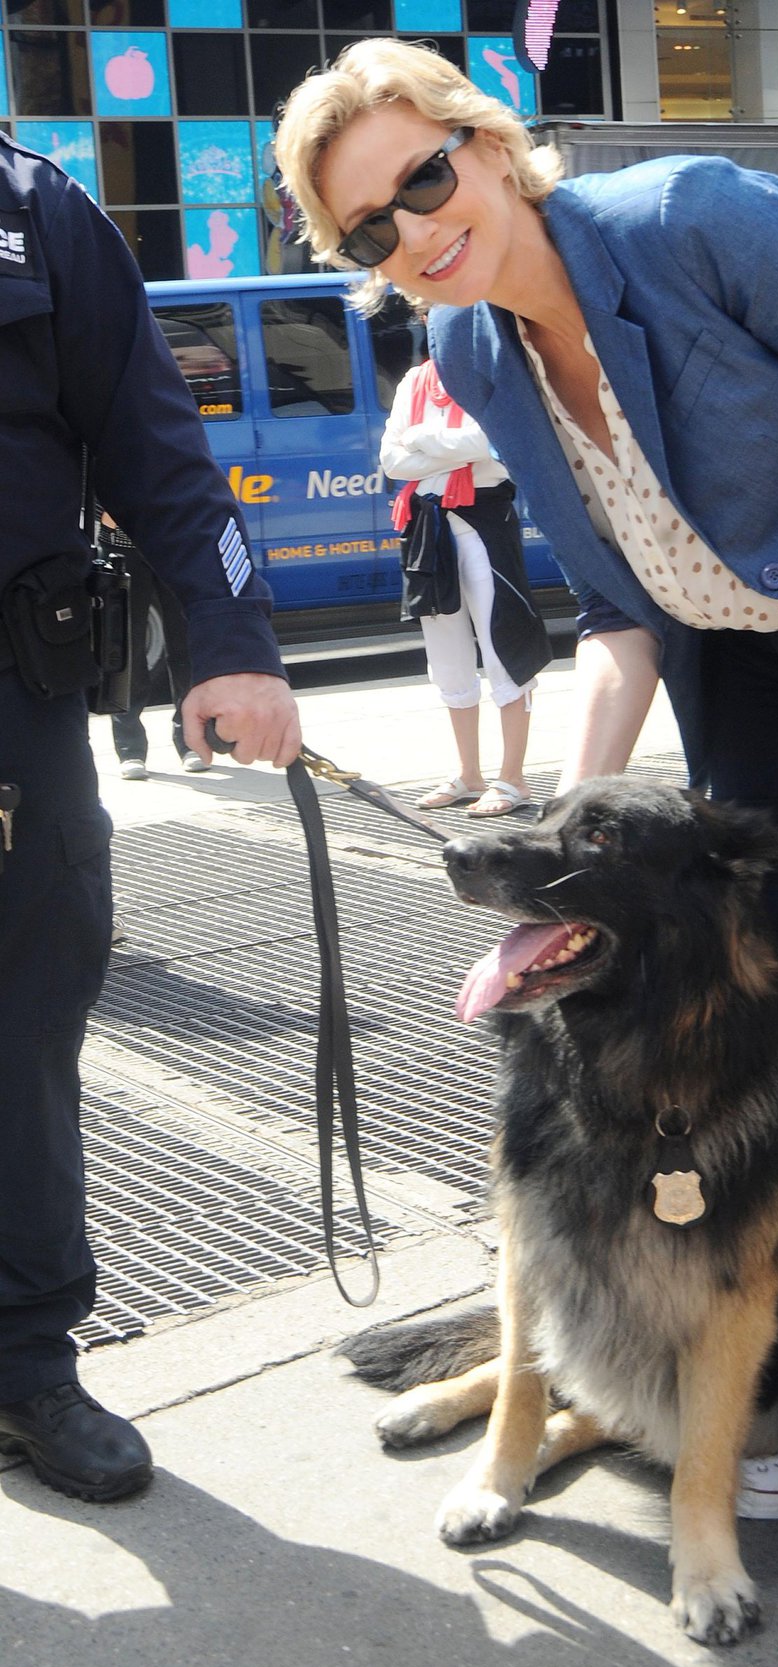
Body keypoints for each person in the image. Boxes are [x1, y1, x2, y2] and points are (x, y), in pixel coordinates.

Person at [274, 46, 778, 1667]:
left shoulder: (690, 221)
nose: (414, 232)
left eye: (423, 179)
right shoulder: (471, 348)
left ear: (485, 147)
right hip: (761, 692)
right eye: (368, 229)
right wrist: (566, 844)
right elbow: (621, 607)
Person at [0, 132, 302, 1505]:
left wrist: (230, 642)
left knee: (19, 1028)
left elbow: (159, 452)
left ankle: (22, 1363)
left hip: (10, 708)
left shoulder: (35, 212)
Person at [380, 355, 550, 814]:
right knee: (446, 654)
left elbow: (492, 441)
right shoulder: (415, 379)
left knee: (503, 644)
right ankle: (468, 773)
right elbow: (392, 460)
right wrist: (454, 446)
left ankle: (513, 778)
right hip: (428, 526)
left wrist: (419, 438)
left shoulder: (490, 372)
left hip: (485, 518)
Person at [96, 515, 201, 780]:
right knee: (126, 647)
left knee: (184, 644)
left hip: (175, 545)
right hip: (123, 547)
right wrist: (108, 515)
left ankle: (191, 740)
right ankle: (130, 749)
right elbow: (91, 490)